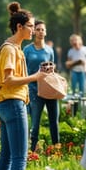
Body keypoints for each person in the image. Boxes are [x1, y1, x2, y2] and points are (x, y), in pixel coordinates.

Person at [0, 2, 48, 170]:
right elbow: (8, 80)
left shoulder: (14, 47)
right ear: (20, 27)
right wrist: (35, 77)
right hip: (13, 103)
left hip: (5, 104)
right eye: (31, 26)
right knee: (20, 157)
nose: (34, 30)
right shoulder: (10, 49)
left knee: (7, 157)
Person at [23, 20, 59, 151]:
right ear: (33, 32)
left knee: (54, 121)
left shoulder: (50, 50)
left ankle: (57, 148)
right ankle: (32, 150)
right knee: (35, 122)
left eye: (42, 29)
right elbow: (23, 70)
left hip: (49, 89)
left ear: (46, 32)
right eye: (37, 29)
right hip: (34, 90)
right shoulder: (27, 50)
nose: (40, 32)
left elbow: (53, 68)